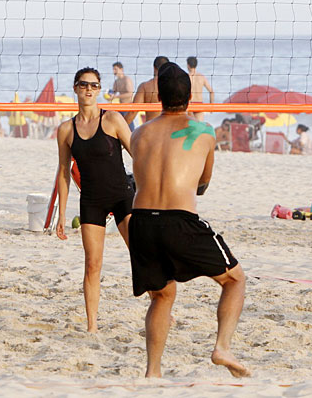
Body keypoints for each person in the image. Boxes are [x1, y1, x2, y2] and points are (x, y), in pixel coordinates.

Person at [128, 61, 249, 378]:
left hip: (140, 222)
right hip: (178, 220)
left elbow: (142, 175)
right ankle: (222, 346)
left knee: (163, 295)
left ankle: (152, 372)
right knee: (235, 280)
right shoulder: (204, 132)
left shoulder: (139, 134)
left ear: (159, 97)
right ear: (191, 97)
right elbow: (203, 184)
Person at [55, 67, 134, 333]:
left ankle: (160, 307)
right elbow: (64, 173)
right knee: (92, 264)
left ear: (99, 89)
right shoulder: (66, 129)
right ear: (75, 88)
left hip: (122, 195)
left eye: (94, 85)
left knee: (142, 254)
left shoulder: (112, 120)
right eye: (83, 84)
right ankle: (92, 326)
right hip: (91, 201)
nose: (89, 89)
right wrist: (61, 215)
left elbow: (139, 156)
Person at [124, 56, 169, 126]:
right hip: (171, 130)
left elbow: (133, 112)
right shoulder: (174, 86)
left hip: (151, 130)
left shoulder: (145, 86)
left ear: (154, 68)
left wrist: (118, 130)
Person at [186, 56, 215, 121]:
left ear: (188, 65)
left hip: (189, 105)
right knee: (199, 128)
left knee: (189, 129)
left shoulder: (186, 77)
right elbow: (211, 92)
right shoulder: (201, 77)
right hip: (199, 105)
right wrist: (211, 106)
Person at [109, 61, 135, 130]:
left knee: (129, 127)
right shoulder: (116, 81)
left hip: (128, 106)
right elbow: (113, 93)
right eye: (113, 69)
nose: (114, 71)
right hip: (120, 107)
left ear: (121, 69)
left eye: (115, 69)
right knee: (120, 127)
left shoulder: (127, 80)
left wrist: (116, 96)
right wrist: (109, 95)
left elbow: (130, 94)